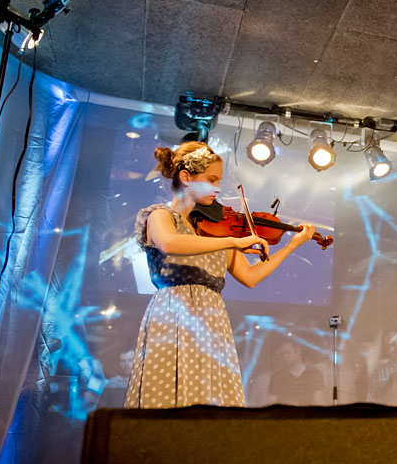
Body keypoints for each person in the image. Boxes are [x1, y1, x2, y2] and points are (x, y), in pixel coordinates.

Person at [124, 141, 315, 408]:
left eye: (219, 180)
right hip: (174, 313)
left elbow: (250, 276)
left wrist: (292, 245)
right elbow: (170, 243)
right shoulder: (160, 216)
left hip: (212, 319)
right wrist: (233, 242)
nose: (217, 187)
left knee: (210, 397)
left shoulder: (216, 231)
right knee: (170, 393)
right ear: (186, 177)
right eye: (211, 179)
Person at [266, 335, 327, 406]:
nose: (285, 356)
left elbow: (318, 402)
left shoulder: (315, 374)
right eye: (282, 354)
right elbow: (271, 404)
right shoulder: (277, 377)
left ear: (298, 351)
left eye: (288, 353)